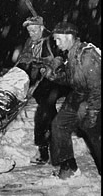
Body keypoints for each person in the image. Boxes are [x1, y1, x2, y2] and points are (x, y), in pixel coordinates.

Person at [41, 21, 101, 179]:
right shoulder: (71, 56)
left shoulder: (87, 55)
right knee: (59, 125)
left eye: (58, 39)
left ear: (69, 37)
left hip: (94, 97)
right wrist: (51, 75)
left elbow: (97, 86)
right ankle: (69, 167)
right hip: (78, 95)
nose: (56, 43)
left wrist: (93, 111)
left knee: (94, 132)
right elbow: (70, 79)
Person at [17, 16, 71, 165]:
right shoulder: (29, 43)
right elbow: (22, 61)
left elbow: (62, 58)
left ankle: (49, 149)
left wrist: (49, 64)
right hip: (39, 85)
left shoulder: (52, 41)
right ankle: (52, 146)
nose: (31, 33)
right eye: (29, 31)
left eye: (34, 30)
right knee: (47, 114)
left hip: (56, 83)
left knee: (44, 112)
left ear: (41, 28)